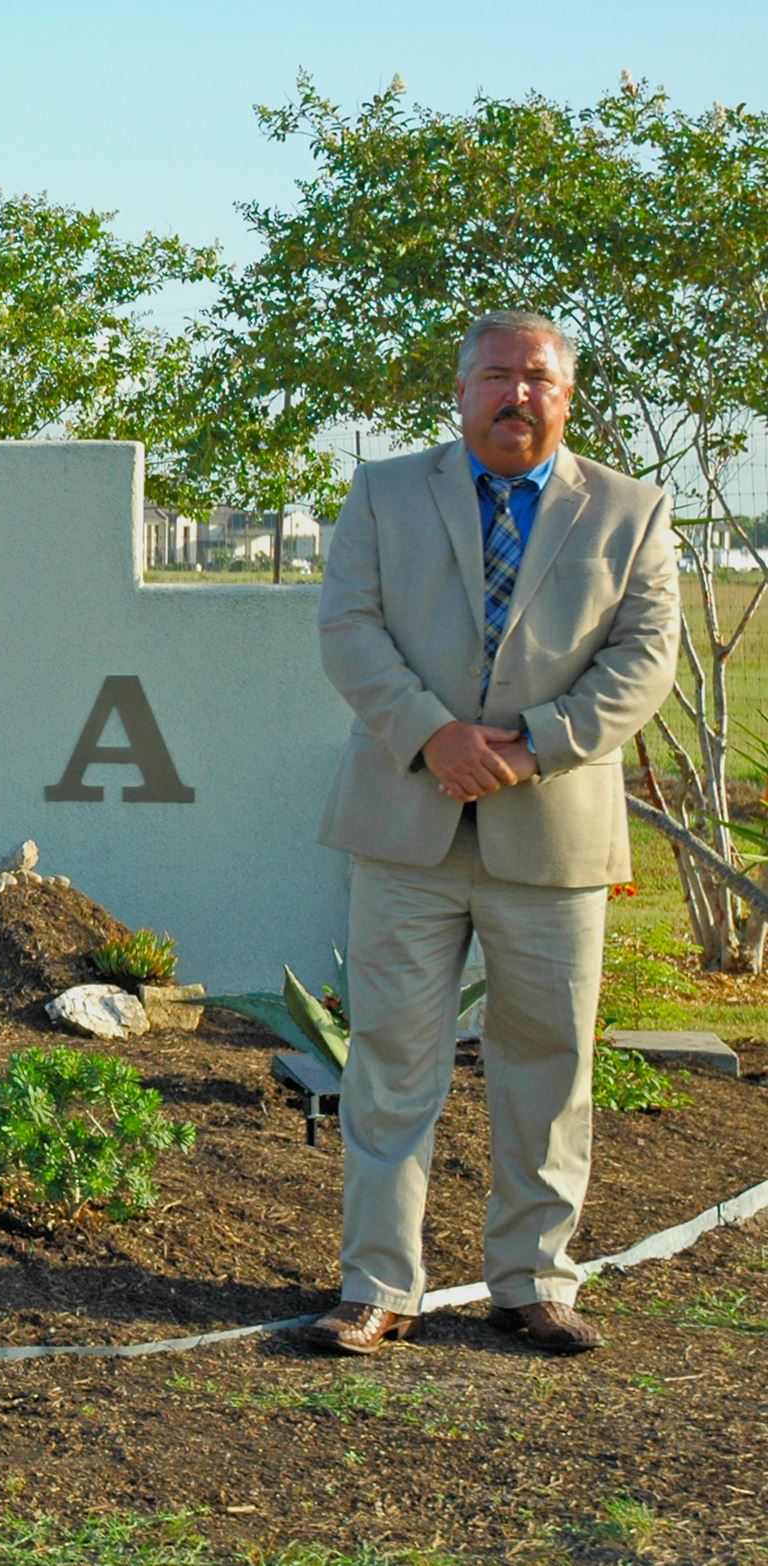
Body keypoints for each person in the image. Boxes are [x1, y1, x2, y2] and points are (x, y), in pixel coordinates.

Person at [309, 309, 680, 1356]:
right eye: (494, 377)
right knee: (387, 1061)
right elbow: (346, 626)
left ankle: (531, 1281)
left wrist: (529, 748)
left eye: (536, 378)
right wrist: (431, 738)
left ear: (565, 396)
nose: (515, 395)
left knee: (546, 1065)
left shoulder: (631, 511)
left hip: (550, 831)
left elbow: (644, 658)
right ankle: (375, 1286)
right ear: (459, 390)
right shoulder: (383, 493)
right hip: (403, 823)